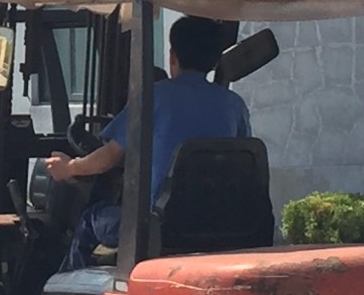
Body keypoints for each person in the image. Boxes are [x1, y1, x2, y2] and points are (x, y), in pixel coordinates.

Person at [45, 16, 250, 271]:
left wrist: (70, 167)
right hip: (220, 224)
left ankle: (64, 292)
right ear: (215, 61)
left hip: (159, 225)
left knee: (91, 218)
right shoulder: (235, 106)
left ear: (172, 56)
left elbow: (107, 159)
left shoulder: (155, 97)